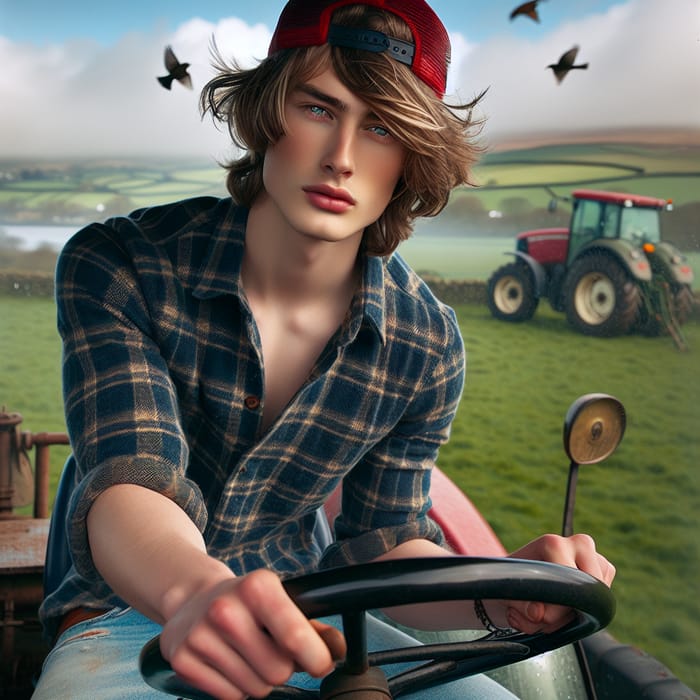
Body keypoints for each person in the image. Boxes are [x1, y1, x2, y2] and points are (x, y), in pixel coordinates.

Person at [33, 1, 615, 698]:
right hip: (136, 613)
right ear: (265, 114)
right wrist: (196, 593)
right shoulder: (124, 264)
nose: (342, 157)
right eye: (317, 109)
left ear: (411, 159)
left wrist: (508, 588)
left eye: (380, 127)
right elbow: (132, 481)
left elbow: (383, 546)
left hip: (318, 620)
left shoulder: (425, 345)